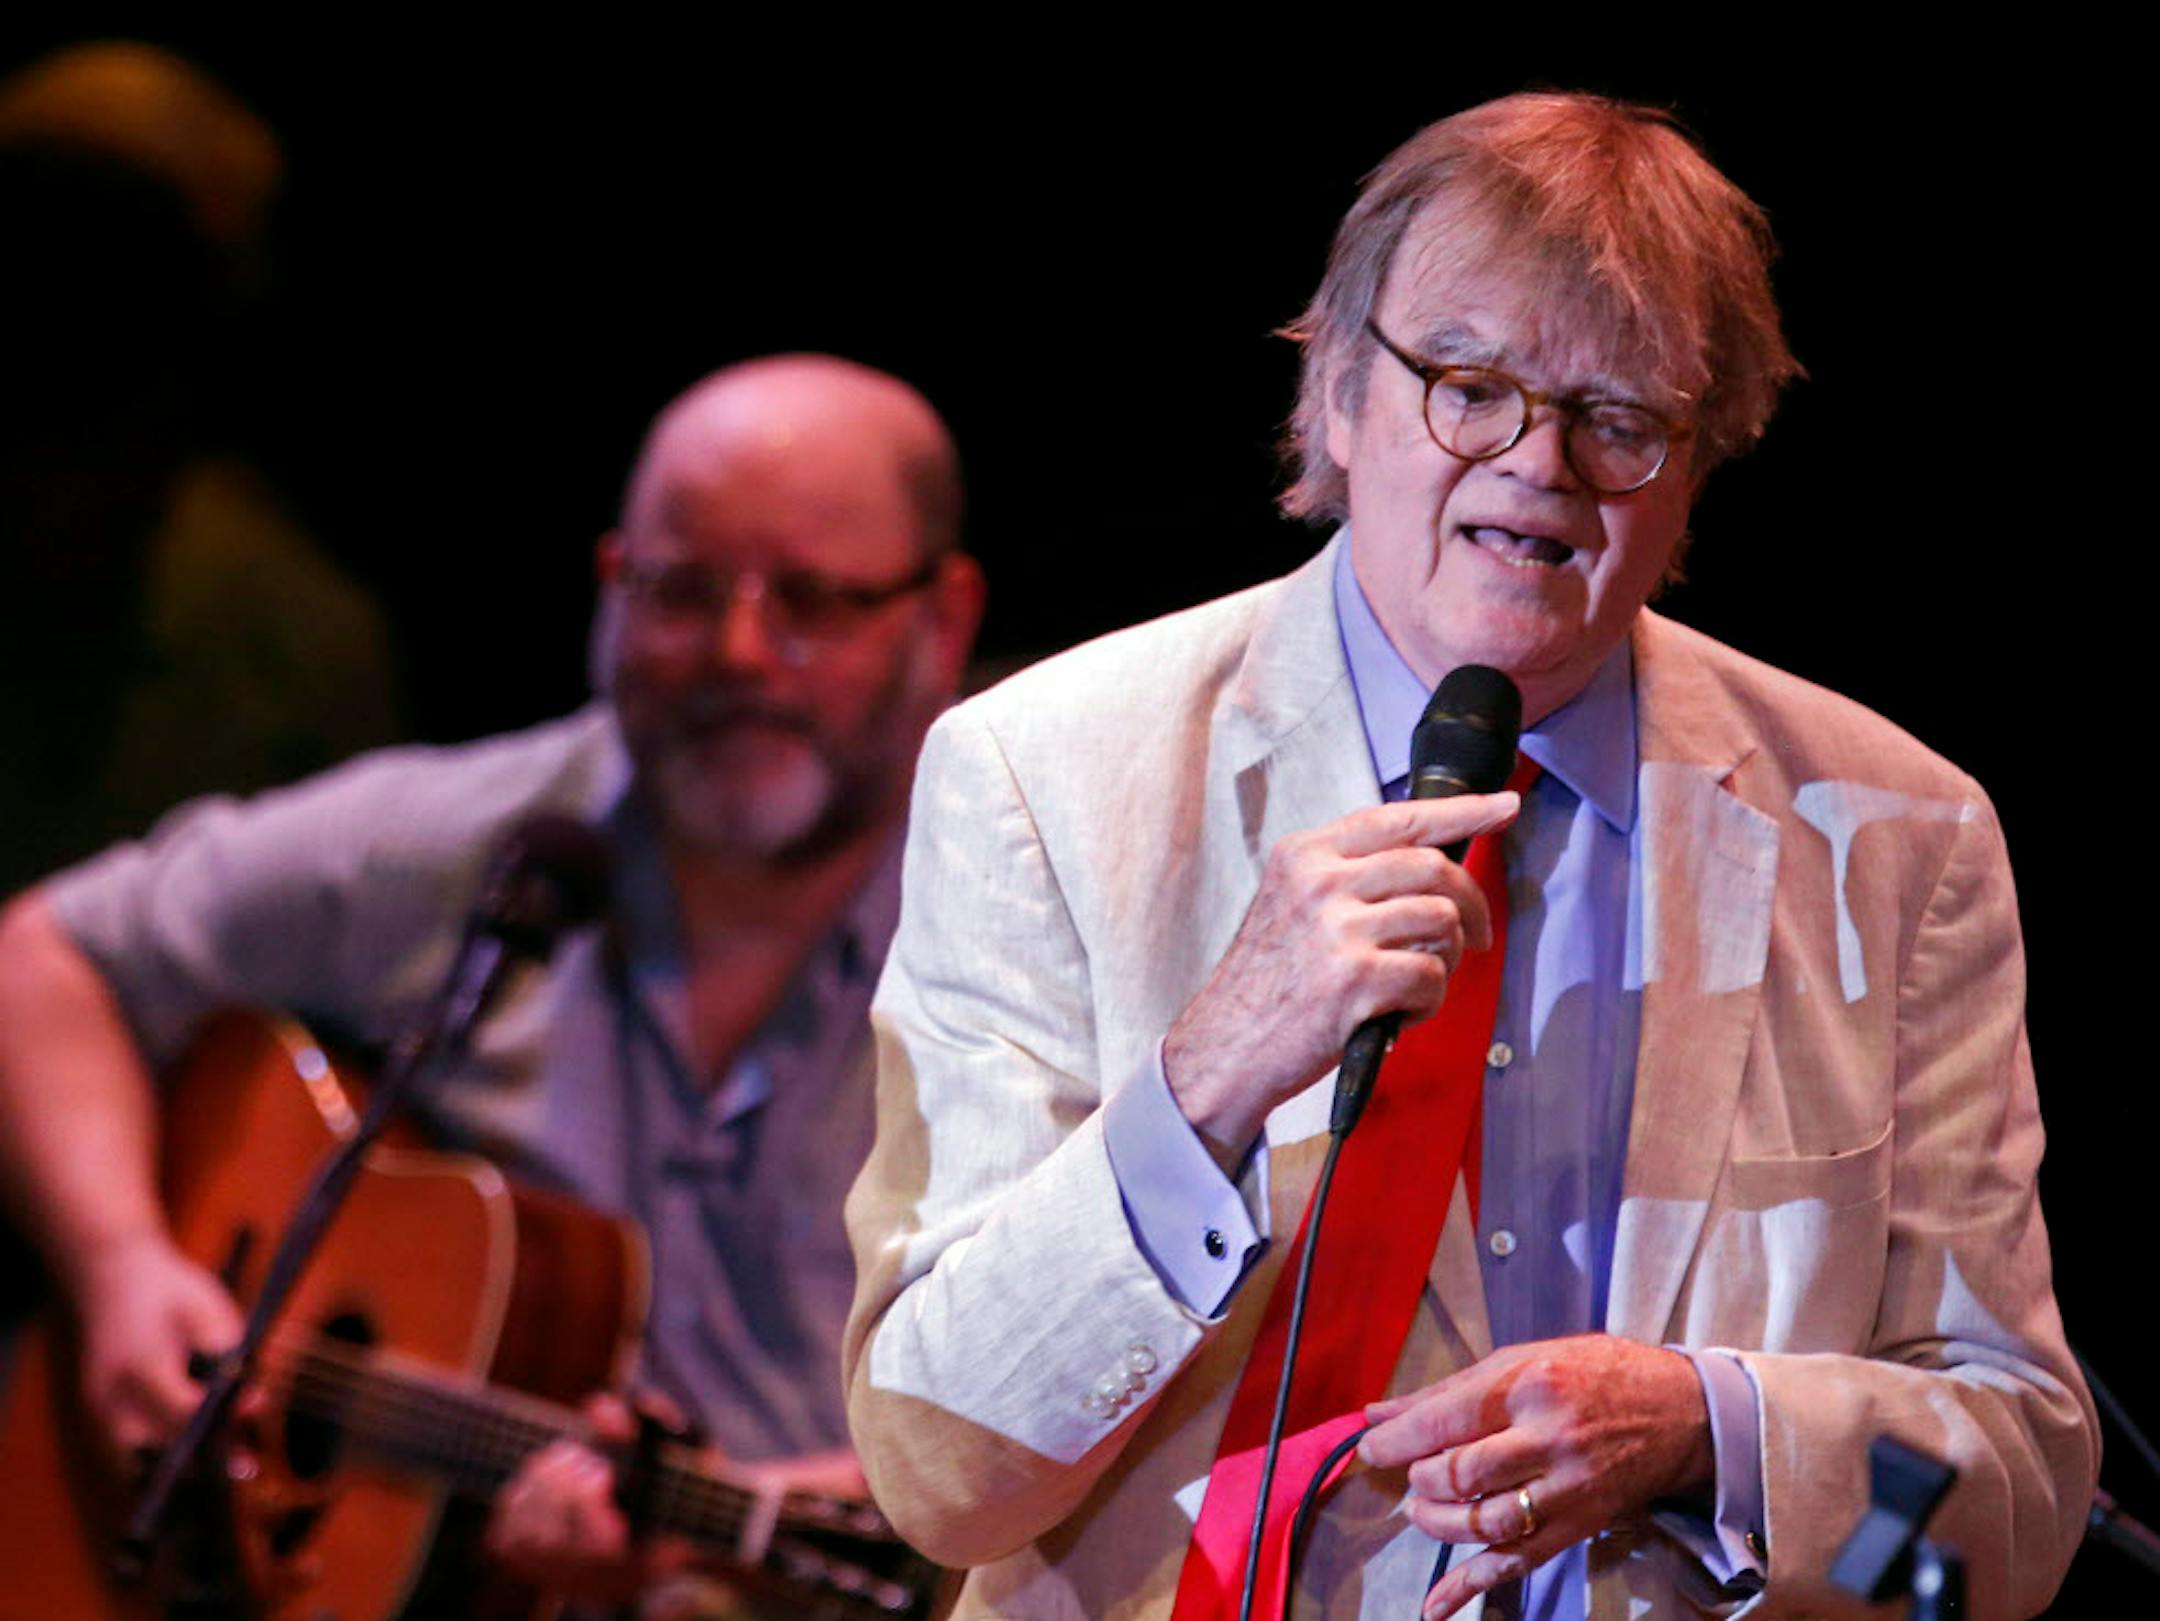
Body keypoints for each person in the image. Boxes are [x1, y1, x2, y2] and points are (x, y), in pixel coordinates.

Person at [842, 94, 2097, 1620]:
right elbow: (938, 1469)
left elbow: (2018, 1513)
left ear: (1699, 466)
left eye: (1619, 419)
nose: (1540, 464)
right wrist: (1211, 1074)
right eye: (1472, 386)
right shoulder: (1042, 775)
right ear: (1343, 399)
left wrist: (1711, 1431)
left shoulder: (1896, 837)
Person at [0, 354, 985, 1613]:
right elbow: (51, 955)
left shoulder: (1037, 913)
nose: (740, 654)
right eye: (682, 591)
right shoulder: (466, 842)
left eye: (811, 601)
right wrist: (123, 1268)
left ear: (942, 621)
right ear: (608, 590)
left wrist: (753, 1525)